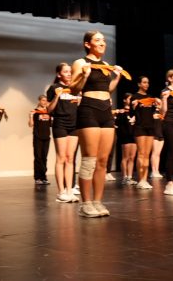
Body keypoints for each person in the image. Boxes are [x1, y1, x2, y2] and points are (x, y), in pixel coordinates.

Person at [70, 30, 126, 217]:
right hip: (88, 109)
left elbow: (106, 90)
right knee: (89, 160)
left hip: (105, 110)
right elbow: (73, 88)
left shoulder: (106, 65)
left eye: (103, 40)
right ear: (88, 44)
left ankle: (97, 201)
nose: (103, 43)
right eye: (98, 40)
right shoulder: (81, 63)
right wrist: (84, 76)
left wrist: (117, 77)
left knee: (103, 161)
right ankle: (85, 203)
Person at [46, 63, 80, 202]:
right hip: (60, 124)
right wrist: (56, 96)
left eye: (70, 71)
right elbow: (49, 110)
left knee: (70, 158)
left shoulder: (75, 89)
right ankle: (61, 191)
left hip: (74, 125)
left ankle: (69, 189)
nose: (69, 74)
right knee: (61, 157)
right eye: (65, 72)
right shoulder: (54, 88)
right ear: (59, 74)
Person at [130, 76, 160, 188]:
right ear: (139, 84)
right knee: (141, 153)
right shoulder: (135, 96)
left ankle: (145, 179)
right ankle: (140, 179)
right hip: (140, 127)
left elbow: (154, 111)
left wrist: (157, 103)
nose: (146, 84)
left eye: (148, 82)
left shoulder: (150, 97)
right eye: (144, 82)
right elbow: (132, 112)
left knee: (147, 154)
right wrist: (133, 104)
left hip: (150, 127)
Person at [29, 95, 52, 185]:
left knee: (44, 158)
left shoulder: (49, 112)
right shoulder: (35, 112)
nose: (44, 102)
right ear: (39, 101)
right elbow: (31, 125)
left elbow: (50, 124)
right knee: (38, 157)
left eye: (46, 100)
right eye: (43, 100)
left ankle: (44, 177)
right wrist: (30, 117)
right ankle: (37, 177)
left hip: (46, 137)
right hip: (38, 137)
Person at [116, 93, 137, 186]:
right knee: (126, 157)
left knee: (132, 157)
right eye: (129, 98)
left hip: (133, 135)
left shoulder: (134, 111)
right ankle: (124, 177)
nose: (131, 100)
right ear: (125, 100)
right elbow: (119, 125)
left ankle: (130, 176)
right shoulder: (121, 112)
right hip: (125, 136)